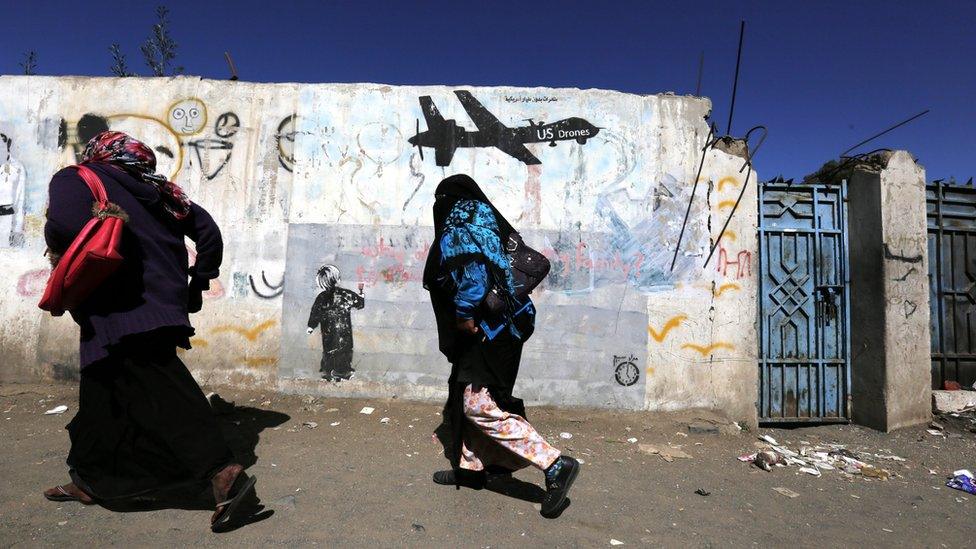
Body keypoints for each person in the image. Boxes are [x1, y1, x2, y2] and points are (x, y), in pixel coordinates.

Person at [41, 131, 257, 533]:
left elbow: (66, 225)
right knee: (102, 395)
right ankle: (91, 479)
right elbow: (208, 233)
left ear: (99, 153)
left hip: (115, 307)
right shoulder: (162, 193)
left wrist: (60, 258)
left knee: (161, 388)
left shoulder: (78, 178)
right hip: (164, 303)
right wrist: (198, 282)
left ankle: (222, 471)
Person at [423, 174, 580, 518]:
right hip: (504, 327)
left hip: (486, 329)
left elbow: (474, 276)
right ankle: (471, 469)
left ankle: (554, 463)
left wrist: (464, 315)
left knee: (477, 404)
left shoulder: (460, 219)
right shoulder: (484, 217)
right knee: (465, 395)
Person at [306, 264, 365, 381]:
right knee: (345, 352)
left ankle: (328, 372)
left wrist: (311, 326)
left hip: (328, 334)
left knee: (328, 352)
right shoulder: (346, 295)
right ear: (337, 279)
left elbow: (315, 313)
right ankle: (343, 372)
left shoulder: (321, 297)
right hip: (344, 333)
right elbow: (359, 304)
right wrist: (361, 295)